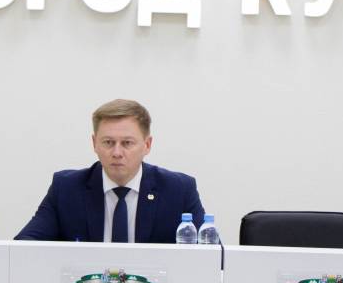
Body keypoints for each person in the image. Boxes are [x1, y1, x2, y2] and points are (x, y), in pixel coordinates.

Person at [15, 99, 206, 243]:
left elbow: (213, 258)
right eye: (108, 142)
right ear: (94, 143)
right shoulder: (66, 188)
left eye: (127, 143)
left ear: (147, 145)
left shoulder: (178, 190)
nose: (117, 152)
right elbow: (24, 246)